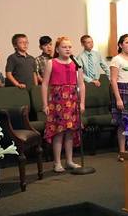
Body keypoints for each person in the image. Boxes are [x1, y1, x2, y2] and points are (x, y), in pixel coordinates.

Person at [42, 37, 85, 172]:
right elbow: (44, 84)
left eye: (69, 47)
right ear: (57, 49)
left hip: (72, 101)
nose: (68, 49)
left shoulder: (76, 63)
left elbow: (81, 84)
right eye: (64, 47)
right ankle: (57, 162)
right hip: (57, 101)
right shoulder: (51, 62)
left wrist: (82, 102)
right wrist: (45, 104)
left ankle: (70, 161)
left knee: (70, 132)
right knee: (59, 132)